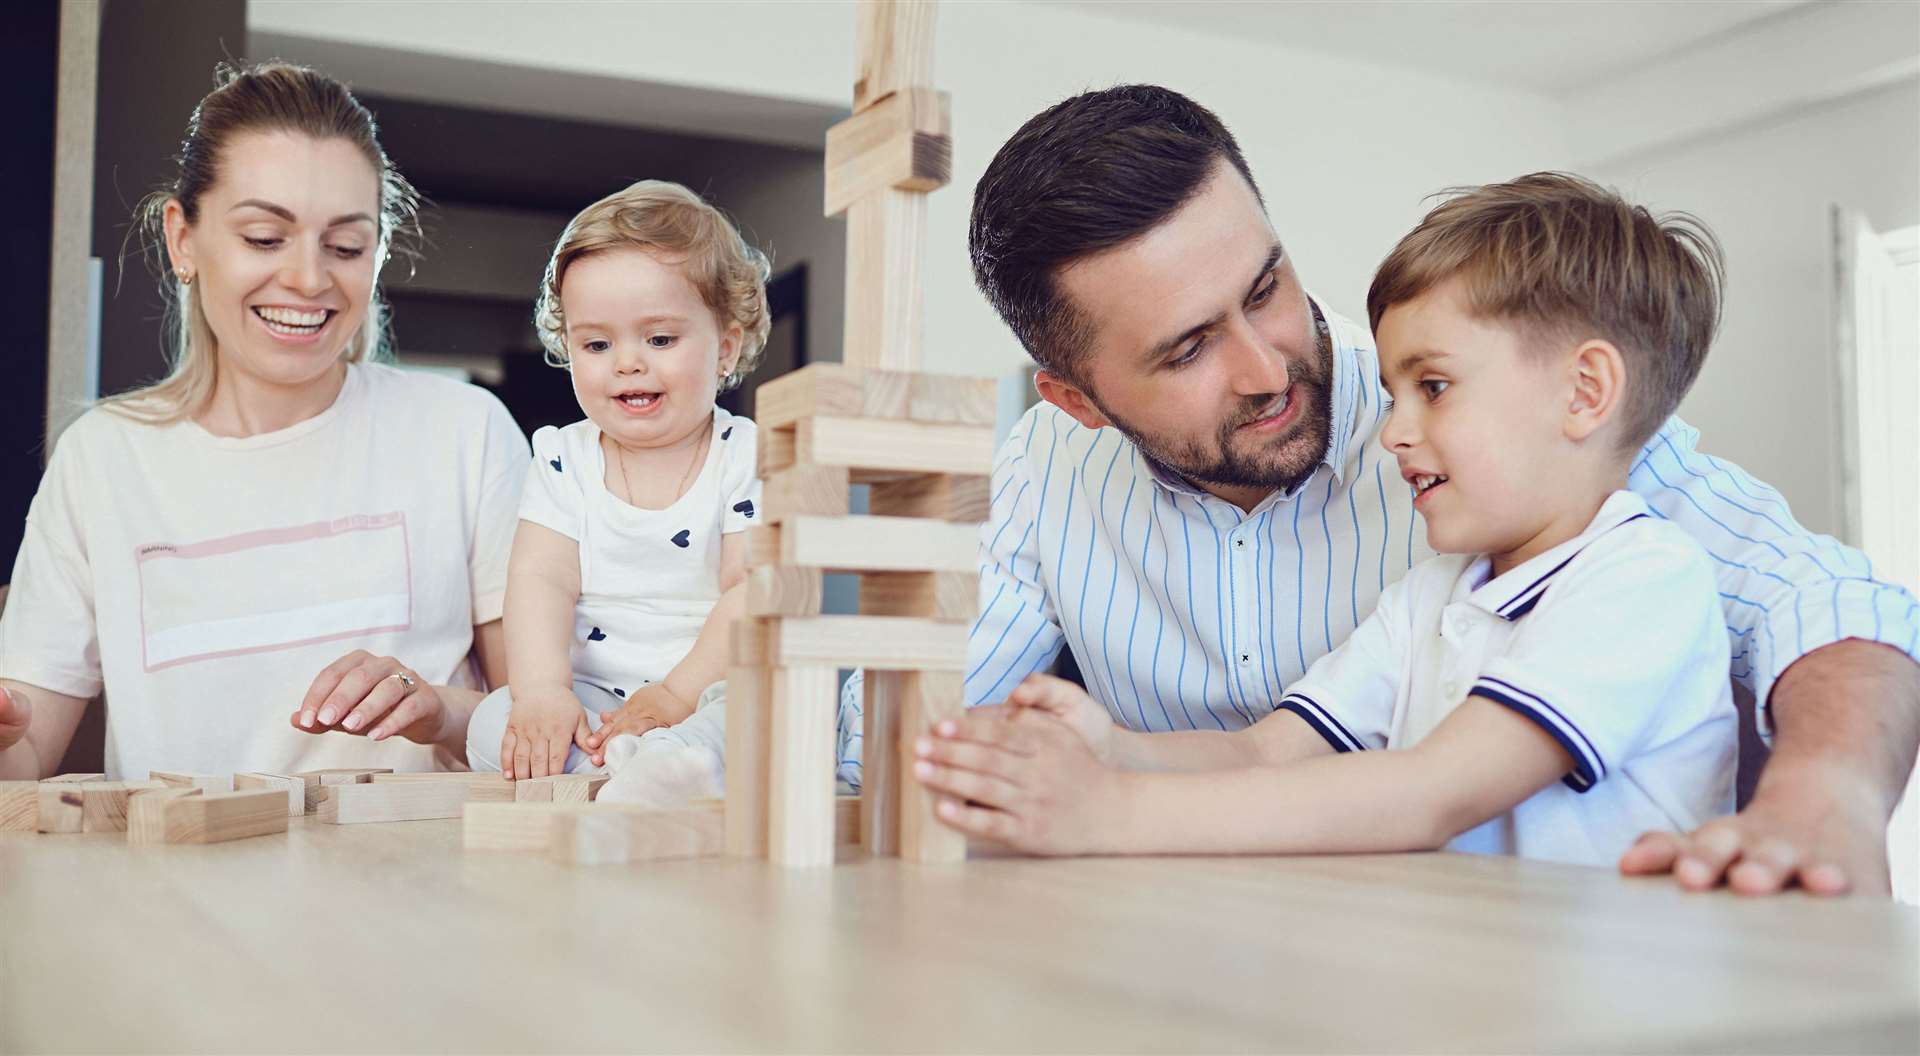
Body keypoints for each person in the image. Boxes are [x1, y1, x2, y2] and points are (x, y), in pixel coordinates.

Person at [924, 85, 1920, 893]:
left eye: (1267, 288)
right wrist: (1096, 749)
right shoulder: (1437, 586)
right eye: (1187, 349)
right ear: (1077, 400)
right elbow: (1267, 756)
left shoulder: (1581, 495)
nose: (1269, 369)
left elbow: (1823, 597)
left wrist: (1824, 788)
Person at [916, 173, 1740, 864]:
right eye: (1395, 388)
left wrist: (1115, 813)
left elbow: (1428, 795)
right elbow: (1264, 749)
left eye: (1435, 388)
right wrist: (1113, 748)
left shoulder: (1643, 580)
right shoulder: (1434, 595)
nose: (1393, 429)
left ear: (1586, 392)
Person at [0, 63, 526, 778]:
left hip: (419, 885)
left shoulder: (465, 433)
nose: (310, 280)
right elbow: (23, 753)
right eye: (264, 237)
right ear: (183, 240)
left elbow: (539, 723)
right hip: (176, 888)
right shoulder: (104, 458)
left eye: (345, 246)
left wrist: (438, 708)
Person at [463, 180, 765, 799]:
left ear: (726, 348)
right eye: (597, 344)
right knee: (491, 722)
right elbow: (540, 581)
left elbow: (750, 590)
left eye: (659, 339)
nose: (627, 362)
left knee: (757, 711)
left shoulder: (746, 455)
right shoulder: (562, 459)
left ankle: (676, 764)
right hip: (597, 699)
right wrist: (544, 693)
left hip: (709, 686)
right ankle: (621, 770)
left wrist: (678, 695)